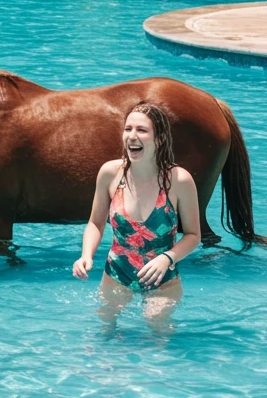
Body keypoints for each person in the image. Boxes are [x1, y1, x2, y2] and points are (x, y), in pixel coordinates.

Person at [72, 103, 201, 327]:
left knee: (157, 332)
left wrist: (167, 258)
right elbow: (95, 222)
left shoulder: (179, 180)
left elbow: (193, 235)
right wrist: (86, 255)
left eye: (141, 130)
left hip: (162, 280)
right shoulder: (110, 173)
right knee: (104, 335)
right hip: (116, 274)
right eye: (127, 129)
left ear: (159, 138)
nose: (132, 136)